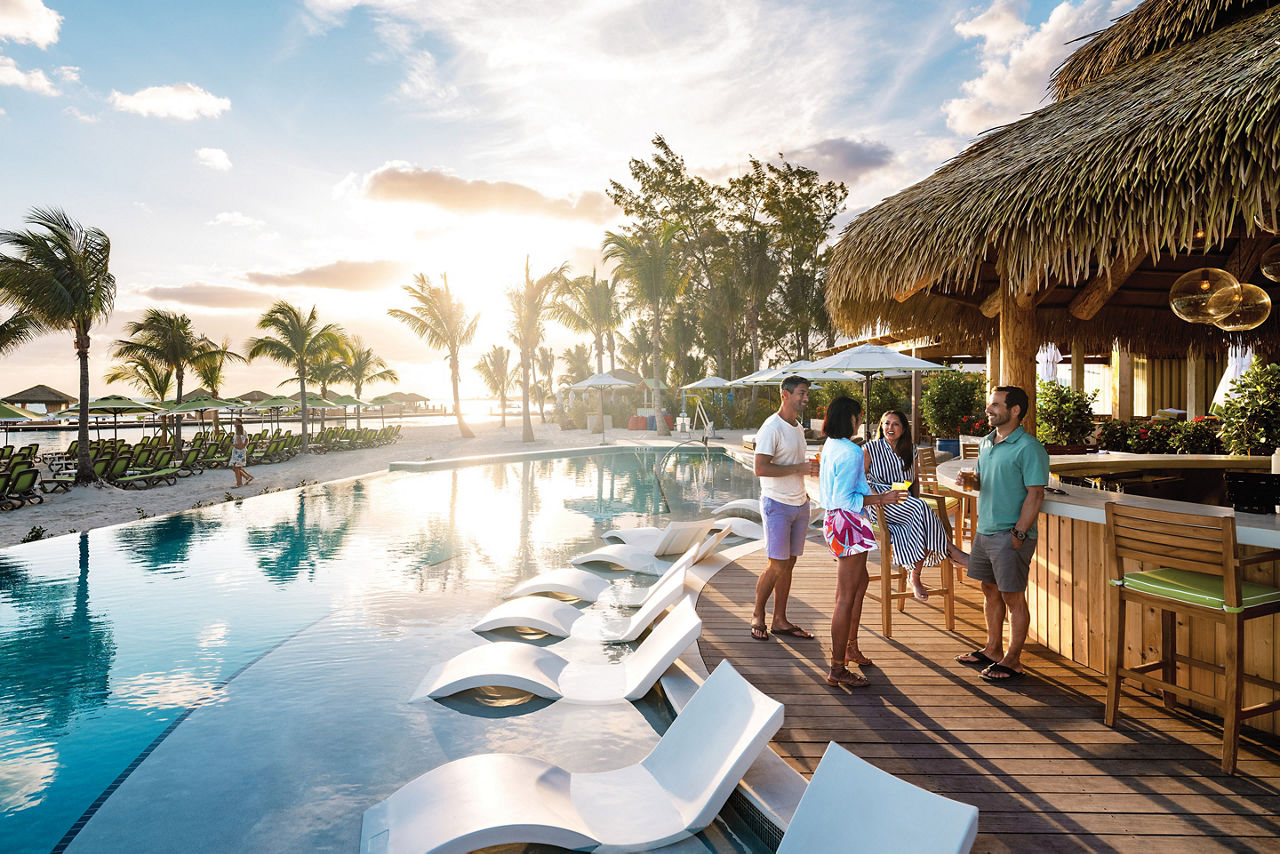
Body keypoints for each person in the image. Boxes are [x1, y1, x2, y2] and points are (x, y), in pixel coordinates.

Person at [953, 386, 1048, 683]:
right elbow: (984, 484)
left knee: (1013, 597)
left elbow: (1035, 495)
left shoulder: (1029, 448)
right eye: (989, 404)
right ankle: (993, 649)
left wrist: (1019, 533)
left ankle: (1013, 660)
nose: (989, 409)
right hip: (985, 531)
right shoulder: (986, 442)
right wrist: (969, 481)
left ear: (1015, 410)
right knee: (989, 590)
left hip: (1010, 534)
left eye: (995, 404)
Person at [819, 396, 904, 686]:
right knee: (845, 596)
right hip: (849, 523)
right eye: (858, 416)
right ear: (851, 419)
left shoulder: (831, 446)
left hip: (835, 521)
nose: (860, 421)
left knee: (860, 583)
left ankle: (850, 647)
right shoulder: (852, 451)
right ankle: (837, 667)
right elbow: (847, 499)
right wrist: (883, 498)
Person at [863, 410, 969, 602]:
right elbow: (860, 479)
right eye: (886, 423)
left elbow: (916, 481)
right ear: (881, 426)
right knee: (920, 509)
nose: (890, 428)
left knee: (921, 516)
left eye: (895, 424)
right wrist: (877, 497)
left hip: (905, 500)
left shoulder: (910, 449)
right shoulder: (870, 448)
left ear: (903, 429)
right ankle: (950, 551)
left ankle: (915, 575)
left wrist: (914, 500)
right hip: (881, 501)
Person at [750, 375, 820, 642]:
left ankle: (780, 619)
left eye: (807, 394)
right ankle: (758, 614)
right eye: (802, 393)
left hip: (799, 504)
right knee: (776, 565)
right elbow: (760, 468)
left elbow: (793, 464)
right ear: (785, 395)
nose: (806, 398)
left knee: (788, 565)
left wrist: (808, 469)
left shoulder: (797, 427)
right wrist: (799, 468)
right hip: (777, 505)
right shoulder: (771, 427)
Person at [230, 419, 254, 488]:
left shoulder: (241, 433)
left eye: (235, 422)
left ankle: (242, 481)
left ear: (239, 423)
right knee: (238, 467)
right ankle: (246, 478)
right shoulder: (241, 433)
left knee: (236, 468)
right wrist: (243, 447)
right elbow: (244, 440)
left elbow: (247, 440)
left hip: (238, 453)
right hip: (239, 452)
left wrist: (243, 446)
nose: (234, 423)